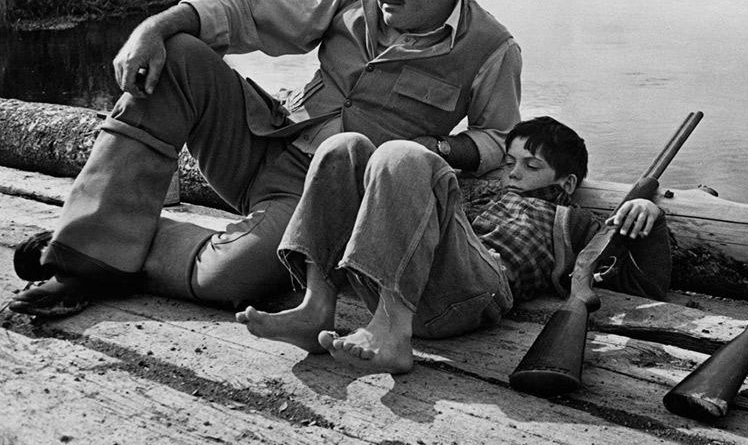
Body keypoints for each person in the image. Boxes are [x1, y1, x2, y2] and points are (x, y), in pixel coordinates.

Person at [9, 0, 522, 318]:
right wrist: (153, 27)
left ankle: (90, 245)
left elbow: (498, 137)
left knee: (227, 281)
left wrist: (438, 149)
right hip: (264, 140)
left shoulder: (493, 47)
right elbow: (248, 11)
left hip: (319, 198)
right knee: (181, 53)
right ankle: (85, 260)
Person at [237, 116, 672, 374]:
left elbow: (642, 283)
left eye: (531, 166)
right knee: (344, 147)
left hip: (475, 291)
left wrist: (650, 219)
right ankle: (316, 307)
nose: (513, 174)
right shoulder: (485, 196)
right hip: (405, 279)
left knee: (401, 154)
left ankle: (392, 334)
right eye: (509, 163)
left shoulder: (575, 223)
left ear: (567, 183)